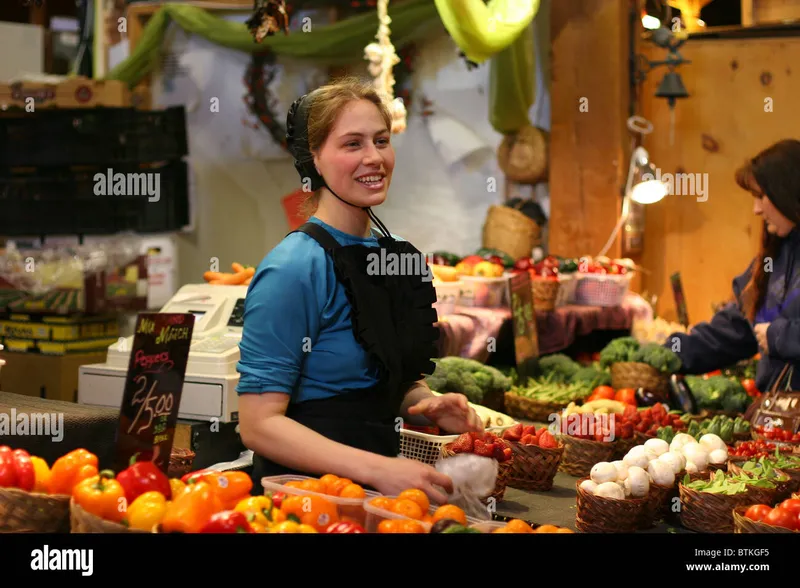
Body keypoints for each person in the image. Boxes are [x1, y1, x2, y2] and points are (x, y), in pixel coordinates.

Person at [235, 77, 484, 503]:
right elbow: (258, 425)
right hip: (306, 503)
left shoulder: (395, 258)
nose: (374, 157)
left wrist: (422, 401)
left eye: (381, 140)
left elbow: (378, 379)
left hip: (382, 496)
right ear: (313, 159)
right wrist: (379, 468)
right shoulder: (294, 267)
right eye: (352, 144)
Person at [666, 139, 800, 399]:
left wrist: (780, 336)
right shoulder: (774, 256)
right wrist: (670, 352)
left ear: (789, 192)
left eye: (761, 196)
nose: (757, 209)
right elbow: (735, 329)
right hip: (777, 422)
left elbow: (774, 334)